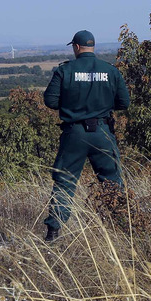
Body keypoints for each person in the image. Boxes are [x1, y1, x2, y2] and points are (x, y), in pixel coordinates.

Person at [42, 30, 130, 242]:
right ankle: (123, 229)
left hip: (74, 134)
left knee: (65, 182)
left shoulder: (65, 71)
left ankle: (53, 232)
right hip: (103, 133)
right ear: (93, 47)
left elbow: (50, 101)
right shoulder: (110, 71)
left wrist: (72, 106)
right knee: (112, 182)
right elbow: (124, 103)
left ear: (76, 47)